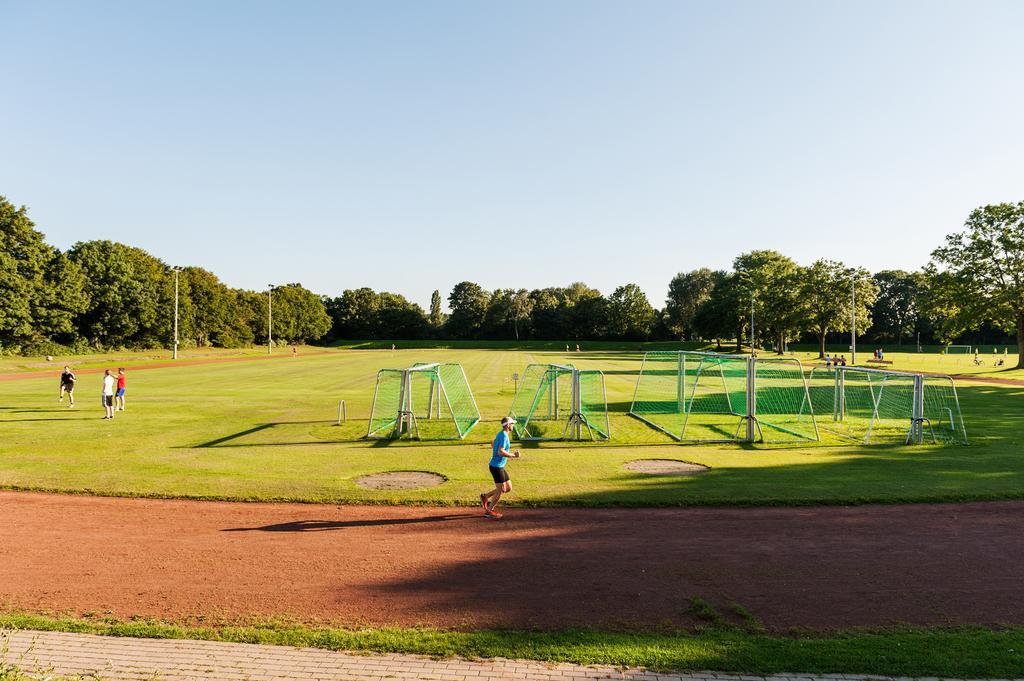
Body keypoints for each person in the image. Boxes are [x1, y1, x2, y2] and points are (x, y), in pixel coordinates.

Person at [480, 416, 521, 519]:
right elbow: (500, 451)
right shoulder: (503, 436)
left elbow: (493, 443)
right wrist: (513, 456)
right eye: (512, 424)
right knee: (501, 490)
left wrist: (496, 447)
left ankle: (485, 496)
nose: (513, 425)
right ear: (507, 425)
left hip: (499, 466)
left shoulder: (502, 434)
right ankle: (489, 511)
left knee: (508, 488)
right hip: (496, 466)